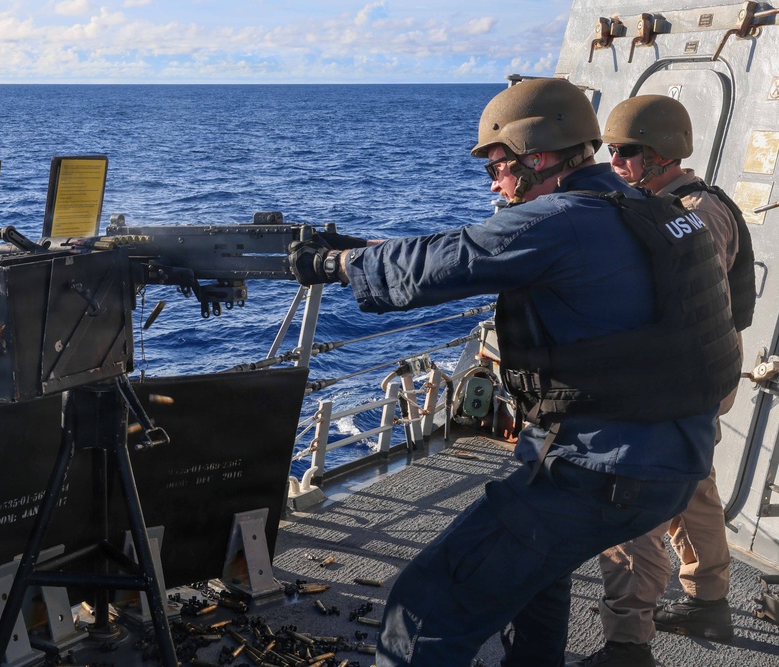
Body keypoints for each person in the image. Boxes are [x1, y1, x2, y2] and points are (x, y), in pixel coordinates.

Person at [287, 77, 742, 667]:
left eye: (498, 166)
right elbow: (479, 246)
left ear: (540, 157)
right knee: (535, 576)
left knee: (425, 609)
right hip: (671, 458)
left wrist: (337, 263)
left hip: (605, 470)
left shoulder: (558, 221)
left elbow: (450, 262)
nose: (493, 181)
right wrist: (365, 249)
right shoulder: (645, 208)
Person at [568, 94, 756, 667]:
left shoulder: (693, 212)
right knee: (692, 484)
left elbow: (686, 299)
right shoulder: (687, 203)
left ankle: (628, 639)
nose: (614, 161)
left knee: (634, 492)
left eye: (624, 152)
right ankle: (709, 601)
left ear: (660, 154)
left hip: (682, 372)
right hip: (705, 367)